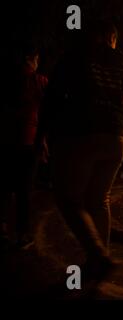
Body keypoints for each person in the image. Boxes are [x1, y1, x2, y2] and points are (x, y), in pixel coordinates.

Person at [38, 21, 123, 282]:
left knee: (68, 199)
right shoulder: (122, 60)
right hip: (116, 139)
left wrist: (41, 138)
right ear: (110, 37)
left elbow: (51, 98)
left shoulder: (74, 57)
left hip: (84, 134)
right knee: (99, 200)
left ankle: (99, 255)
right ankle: (98, 259)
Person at [0, 45, 47, 251]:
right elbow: (48, 110)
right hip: (28, 140)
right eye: (36, 59)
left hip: (6, 140)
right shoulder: (38, 81)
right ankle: (22, 234)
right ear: (31, 59)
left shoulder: (7, 80)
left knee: (5, 187)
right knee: (24, 190)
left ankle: (2, 228)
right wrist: (43, 140)